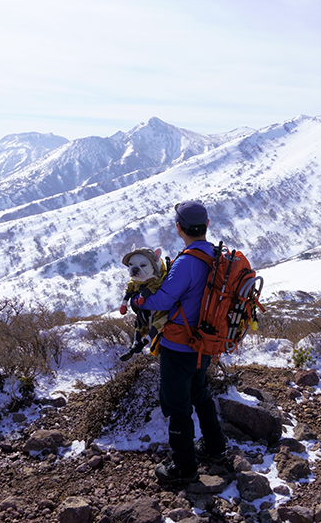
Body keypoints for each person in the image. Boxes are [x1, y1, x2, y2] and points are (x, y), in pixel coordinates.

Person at [132, 200, 227, 483]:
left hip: (179, 345)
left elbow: (163, 299)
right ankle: (215, 448)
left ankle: (183, 468)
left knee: (177, 406)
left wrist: (140, 300)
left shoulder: (186, 262)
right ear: (207, 225)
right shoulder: (217, 256)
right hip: (205, 343)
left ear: (178, 228)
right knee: (200, 394)